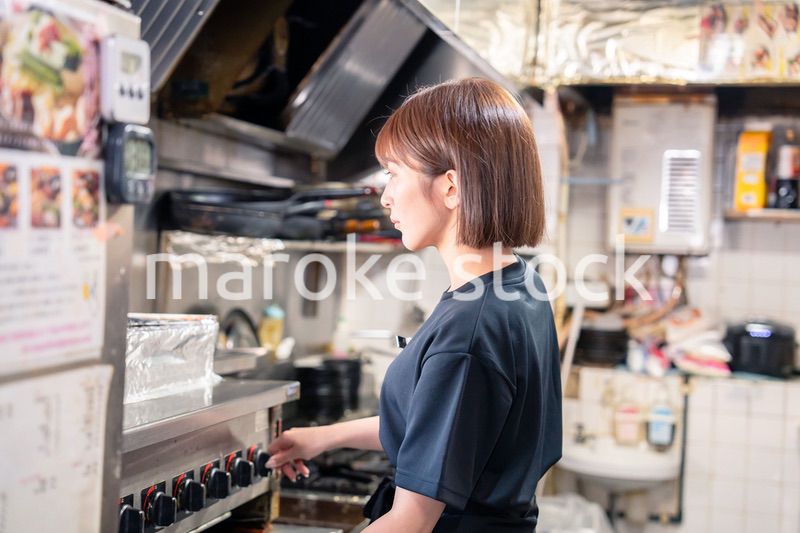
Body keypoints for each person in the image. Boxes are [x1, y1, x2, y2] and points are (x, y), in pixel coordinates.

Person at [267, 77, 562, 532]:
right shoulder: (519, 287)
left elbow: (410, 523)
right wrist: (324, 437)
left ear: (450, 188)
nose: (385, 197)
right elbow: (442, 427)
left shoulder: (470, 328)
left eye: (393, 174)